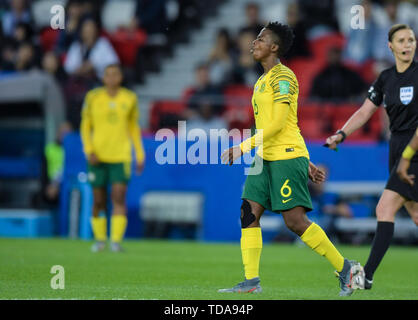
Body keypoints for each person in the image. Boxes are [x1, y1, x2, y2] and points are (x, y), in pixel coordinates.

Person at [218, 22, 364, 296]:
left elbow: (277, 124)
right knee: (248, 213)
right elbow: (284, 125)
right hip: (266, 156)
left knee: (294, 222)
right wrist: (305, 162)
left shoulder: (283, 77)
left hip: (284, 156)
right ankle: (251, 281)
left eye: (260, 39)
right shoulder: (261, 80)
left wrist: (243, 147)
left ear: (274, 47)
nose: (254, 43)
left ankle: (346, 268)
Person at [325, 24, 418, 290]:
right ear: (390, 46)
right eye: (401, 40)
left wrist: (408, 156)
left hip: (414, 150)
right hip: (397, 149)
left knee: (384, 208)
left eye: (411, 39)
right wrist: (341, 134)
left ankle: (365, 276)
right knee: (415, 214)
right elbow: (365, 112)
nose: (407, 44)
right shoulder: (385, 78)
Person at [80, 64, 145, 252]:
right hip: (97, 156)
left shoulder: (129, 98)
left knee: (118, 197)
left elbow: (133, 127)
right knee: (98, 199)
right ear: (103, 78)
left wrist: (139, 154)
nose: (111, 78)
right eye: (108, 74)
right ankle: (100, 240)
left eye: (115, 74)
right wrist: (89, 150)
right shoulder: (93, 98)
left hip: (121, 156)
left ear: (121, 77)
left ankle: (115, 241)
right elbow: (85, 125)